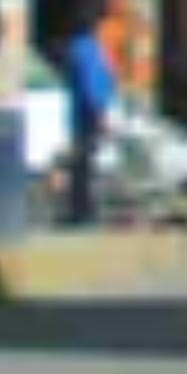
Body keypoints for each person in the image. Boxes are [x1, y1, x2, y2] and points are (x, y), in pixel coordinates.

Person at [58, 17, 119, 227]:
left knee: (82, 165)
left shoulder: (83, 49)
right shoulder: (91, 49)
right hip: (90, 113)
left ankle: (81, 211)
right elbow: (99, 83)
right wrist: (102, 112)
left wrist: (98, 113)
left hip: (85, 115)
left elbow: (91, 83)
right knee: (85, 164)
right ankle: (84, 211)